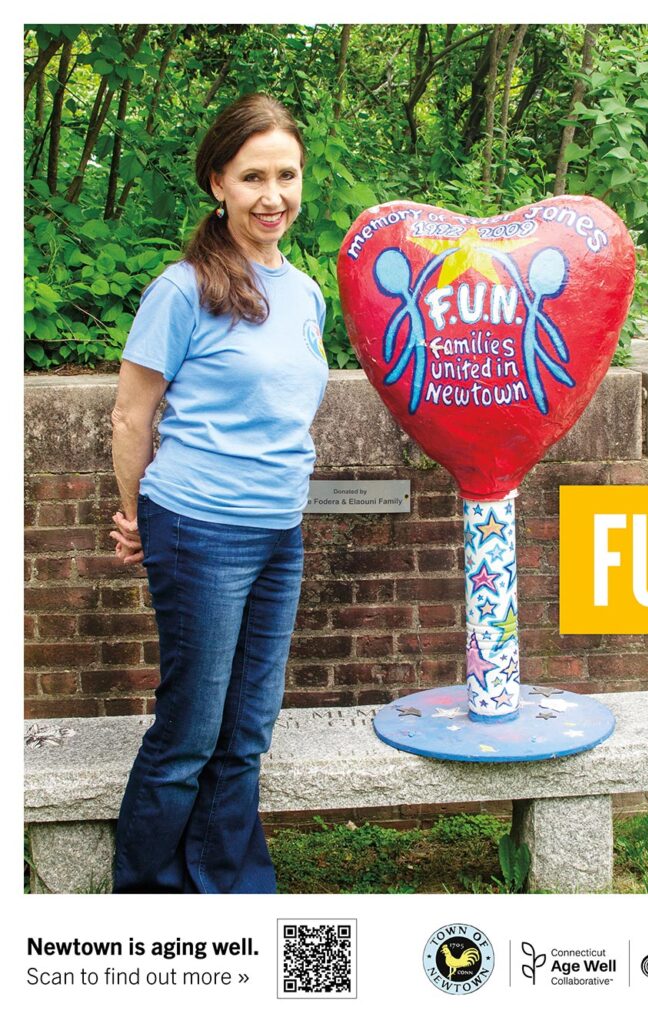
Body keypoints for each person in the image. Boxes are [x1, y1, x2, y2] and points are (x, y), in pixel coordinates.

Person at [109, 93, 328, 893]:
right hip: (198, 528)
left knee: (247, 731)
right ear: (217, 185)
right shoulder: (181, 289)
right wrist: (134, 514)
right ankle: (145, 900)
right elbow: (132, 414)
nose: (272, 195)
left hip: (280, 530)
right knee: (191, 733)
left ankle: (230, 886)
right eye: (252, 177)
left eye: (286, 175)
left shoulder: (305, 295)